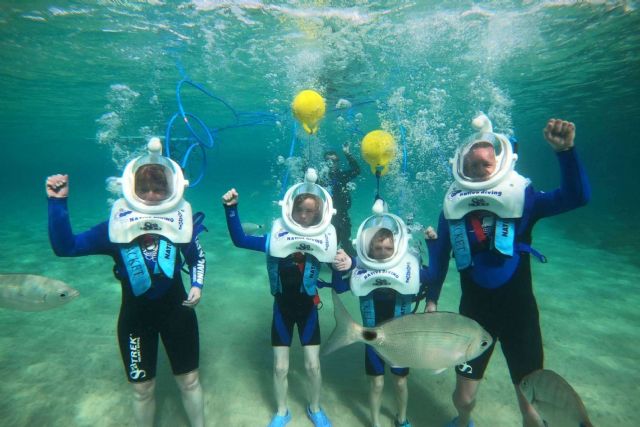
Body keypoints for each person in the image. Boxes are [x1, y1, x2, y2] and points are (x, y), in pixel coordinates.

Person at [425, 116, 590, 427]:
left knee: (530, 408)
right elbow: (441, 257)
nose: (478, 170)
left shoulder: (523, 198)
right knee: (463, 398)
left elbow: (576, 197)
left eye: (485, 164)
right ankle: (463, 422)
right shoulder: (452, 207)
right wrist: (432, 299)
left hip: (520, 315)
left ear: (500, 164)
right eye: (472, 165)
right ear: (461, 167)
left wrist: (565, 151)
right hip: (474, 313)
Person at [46, 138, 206, 427]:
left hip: (177, 314)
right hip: (135, 319)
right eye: (144, 189)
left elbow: (197, 258)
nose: (152, 195)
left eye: (159, 188)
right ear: (131, 190)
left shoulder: (181, 224)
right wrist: (57, 203)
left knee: (190, 381)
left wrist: (197, 285)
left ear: (172, 190)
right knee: (142, 390)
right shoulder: (114, 229)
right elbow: (66, 247)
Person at [222, 169, 339, 427]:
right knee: (279, 368)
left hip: (308, 309)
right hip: (282, 310)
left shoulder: (324, 239)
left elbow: (341, 276)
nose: (305, 216)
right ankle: (282, 411)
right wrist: (231, 209)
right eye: (301, 211)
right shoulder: (276, 237)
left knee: (313, 367)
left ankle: (315, 407)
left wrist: (347, 263)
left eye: (311, 212)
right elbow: (240, 240)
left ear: (320, 214)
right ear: (291, 210)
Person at [331, 201, 438, 427]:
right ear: (368, 249)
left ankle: (402, 419)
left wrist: (433, 245)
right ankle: (376, 423)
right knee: (377, 384)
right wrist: (337, 267)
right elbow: (340, 289)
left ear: (396, 248)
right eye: (377, 249)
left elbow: (434, 276)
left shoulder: (409, 268)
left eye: (388, 249)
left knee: (400, 383)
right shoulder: (360, 267)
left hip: (401, 339)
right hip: (372, 338)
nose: (382, 254)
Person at [321, 144, 360, 256]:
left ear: (338, 163)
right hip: (324, 216)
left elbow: (357, 170)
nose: (332, 163)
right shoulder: (320, 178)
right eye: (329, 160)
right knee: (328, 244)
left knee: (346, 244)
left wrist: (347, 153)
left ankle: (354, 265)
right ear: (324, 163)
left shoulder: (342, 176)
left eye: (335, 160)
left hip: (342, 215)